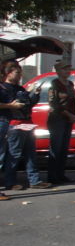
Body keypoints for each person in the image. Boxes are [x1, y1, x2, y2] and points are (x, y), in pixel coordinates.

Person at [2, 63, 49, 191]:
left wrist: (36, 95)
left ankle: (35, 180)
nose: (20, 75)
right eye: (17, 73)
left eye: (20, 73)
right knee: (14, 154)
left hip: (27, 122)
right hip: (15, 124)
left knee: (31, 153)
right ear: (9, 73)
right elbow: (16, 102)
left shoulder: (20, 88)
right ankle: (10, 182)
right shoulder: (4, 88)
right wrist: (27, 92)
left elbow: (27, 104)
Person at [47, 60, 75, 185]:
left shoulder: (70, 84)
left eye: (68, 69)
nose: (67, 71)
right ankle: (52, 176)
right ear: (58, 71)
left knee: (64, 148)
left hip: (68, 118)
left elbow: (73, 101)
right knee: (56, 148)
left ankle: (60, 174)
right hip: (57, 118)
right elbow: (53, 104)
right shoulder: (55, 84)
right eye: (64, 69)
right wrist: (68, 114)